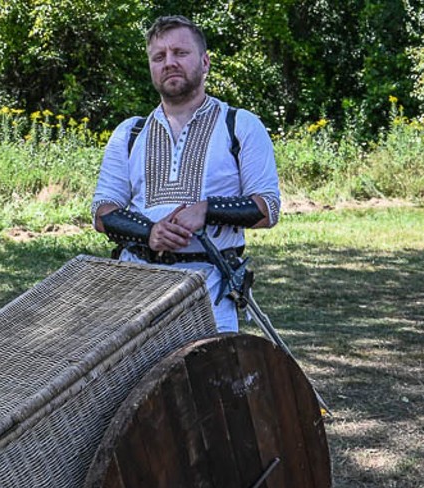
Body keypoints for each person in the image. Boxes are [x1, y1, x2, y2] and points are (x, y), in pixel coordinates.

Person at [92, 15, 282, 332]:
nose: (169, 63)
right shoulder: (129, 133)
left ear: (205, 62)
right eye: (159, 56)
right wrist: (149, 233)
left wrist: (206, 210)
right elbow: (103, 213)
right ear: (151, 67)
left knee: (210, 378)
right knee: (137, 381)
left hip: (210, 288)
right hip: (136, 289)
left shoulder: (240, 125)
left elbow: (267, 209)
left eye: (180, 53)